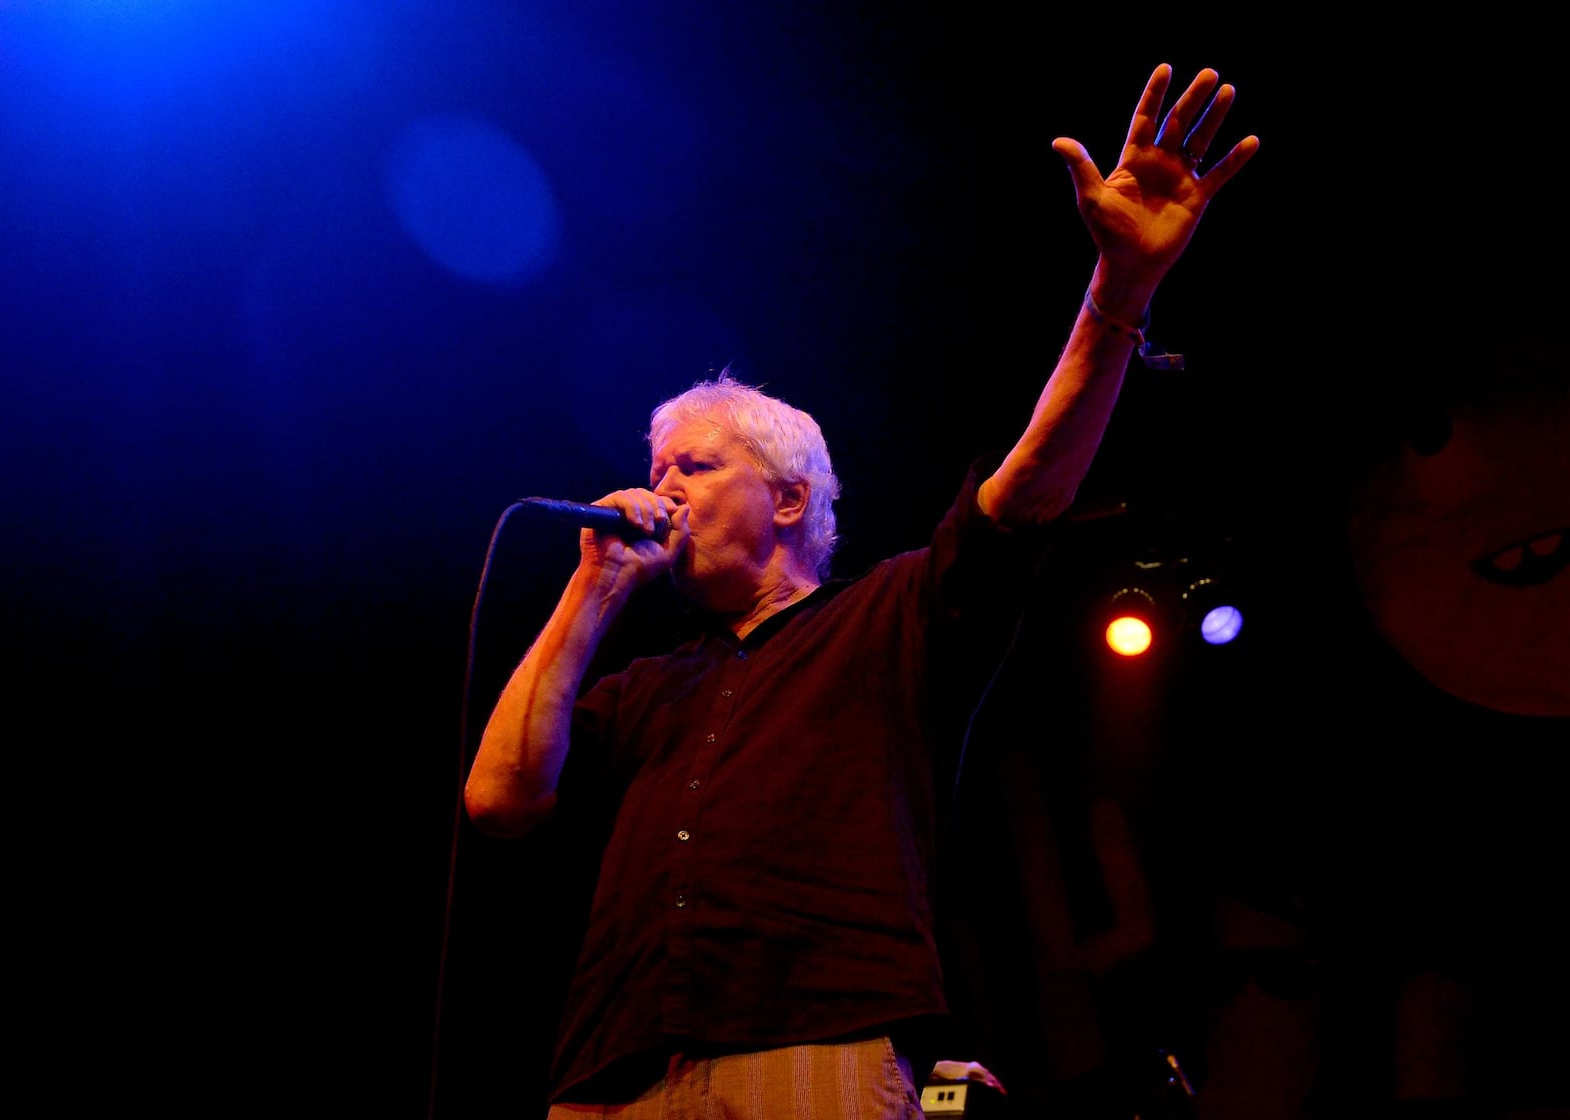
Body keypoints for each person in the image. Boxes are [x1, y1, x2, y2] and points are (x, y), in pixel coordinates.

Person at [465, 62, 1260, 1118]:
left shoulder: (889, 617)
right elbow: (501, 799)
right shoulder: (646, 686)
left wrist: (1118, 293)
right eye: (655, 469)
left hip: (812, 1053)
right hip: (608, 1077)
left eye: (692, 467)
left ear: (789, 500)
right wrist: (594, 589)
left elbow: (1027, 484)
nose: (661, 489)